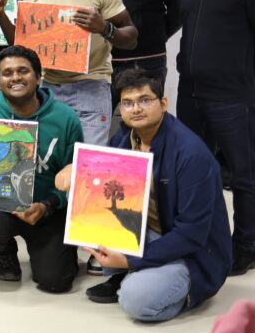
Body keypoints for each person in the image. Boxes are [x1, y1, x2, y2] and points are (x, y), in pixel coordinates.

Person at [57, 69, 232, 322]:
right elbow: (104, 169)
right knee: (90, 218)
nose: (136, 109)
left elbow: (192, 234)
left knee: (135, 302)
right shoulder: (127, 136)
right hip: (150, 231)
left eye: (144, 100)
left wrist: (130, 260)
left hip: (193, 251)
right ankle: (133, 272)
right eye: (127, 103)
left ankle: (182, 289)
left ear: (163, 103)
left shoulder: (191, 154)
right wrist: (74, 168)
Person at [0, 0, 138, 147]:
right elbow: (20, 47)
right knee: (47, 162)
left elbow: (131, 37)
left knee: (86, 166)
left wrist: (104, 28)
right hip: (46, 89)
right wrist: (0, 14)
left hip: (90, 85)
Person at [176, 0, 255, 276]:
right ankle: (205, 238)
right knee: (195, 172)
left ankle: (246, 245)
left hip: (235, 96)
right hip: (191, 93)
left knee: (244, 174)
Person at [0, 45, 83, 293]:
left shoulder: (66, 118)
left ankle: (61, 250)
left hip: (47, 207)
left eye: (23, 71)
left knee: (55, 282)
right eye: (7, 73)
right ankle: (5, 249)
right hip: (1, 203)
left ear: (38, 77)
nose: (15, 77)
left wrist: (48, 204)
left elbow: (77, 176)